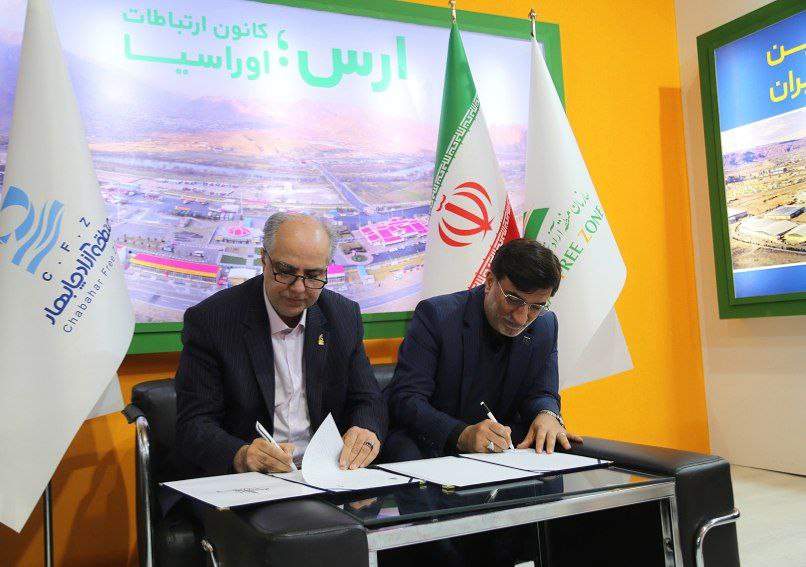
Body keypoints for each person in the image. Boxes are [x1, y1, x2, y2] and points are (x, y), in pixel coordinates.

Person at [174, 212, 387, 477]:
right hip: (249, 480)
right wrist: (240, 455)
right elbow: (194, 424)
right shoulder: (212, 320)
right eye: (285, 272)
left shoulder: (343, 316)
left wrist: (366, 430)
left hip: (328, 472)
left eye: (313, 275)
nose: (298, 288)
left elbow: (368, 400)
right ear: (264, 259)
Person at [384, 238, 581, 462]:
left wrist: (547, 414)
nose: (522, 318)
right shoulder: (437, 316)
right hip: (433, 445)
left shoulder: (545, 325)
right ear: (489, 282)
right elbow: (406, 399)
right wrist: (461, 434)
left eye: (536, 306)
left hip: (503, 449)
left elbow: (541, 393)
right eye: (514, 300)